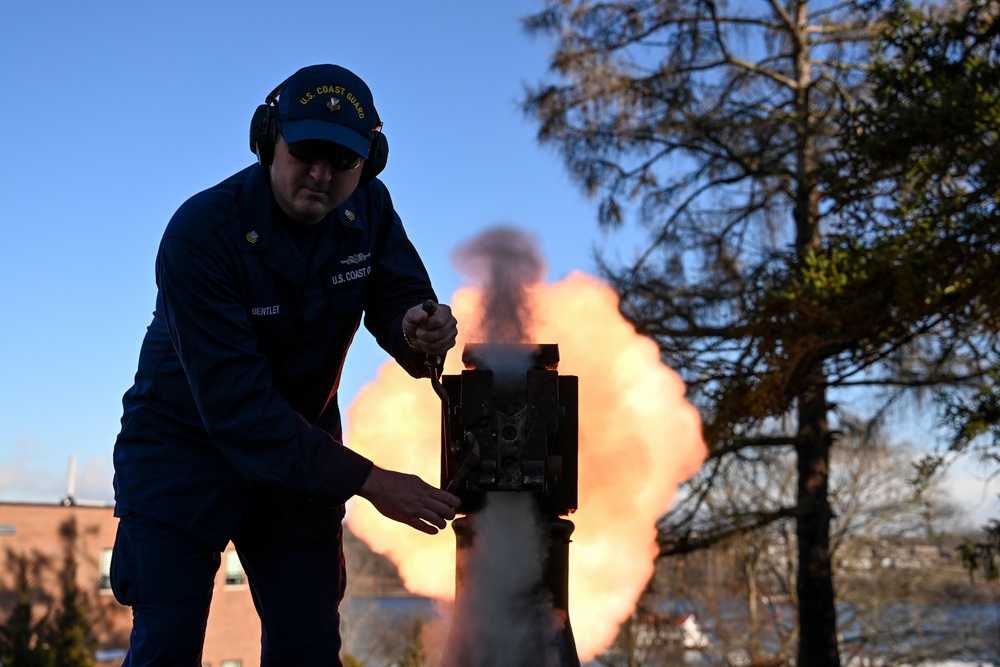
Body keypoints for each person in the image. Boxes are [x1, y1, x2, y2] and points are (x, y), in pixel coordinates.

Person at [110, 63, 461, 666]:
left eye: (343, 161)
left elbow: (400, 295)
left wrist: (419, 329)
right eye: (306, 153)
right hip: (182, 451)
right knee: (166, 644)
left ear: (367, 162)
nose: (321, 175)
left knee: (309, 645)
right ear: (268, 139)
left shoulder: (369, 210)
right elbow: (239, 409)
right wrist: (372, 483)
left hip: (299, 457)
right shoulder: (201, 235)